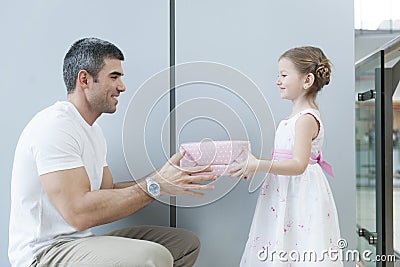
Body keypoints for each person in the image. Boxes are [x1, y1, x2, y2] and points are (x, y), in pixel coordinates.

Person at [9, 37, 217, 267]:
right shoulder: (55, 126)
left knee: (183, 244)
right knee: (154, 257)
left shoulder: (93, 131)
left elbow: (107, 192)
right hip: (45, 253)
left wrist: (165, 179)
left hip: (78, 243)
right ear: (85, 79)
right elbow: (79, 214)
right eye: (114, 77)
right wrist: (155, 185)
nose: (122, 87)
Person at [230, 46, 342, 266]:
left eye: (283, 75)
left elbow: (299, 165)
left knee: (299, 244)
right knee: (283, 242)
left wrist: (258, 164)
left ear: (307, 80)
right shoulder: (293, 118)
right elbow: (283, 161)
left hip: (299, 191)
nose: (277, 81)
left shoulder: (306, 119)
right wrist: (253, 167)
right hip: (284, 190)